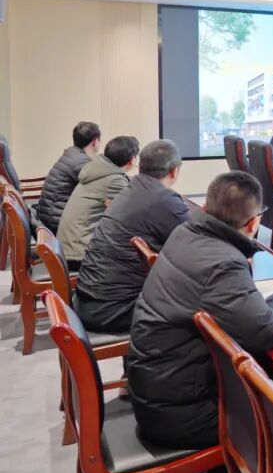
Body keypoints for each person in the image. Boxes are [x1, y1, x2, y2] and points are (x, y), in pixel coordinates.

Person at [127, 171, 273, 454]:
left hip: (154, 388)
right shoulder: (223, 263)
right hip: (180, 414)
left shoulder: (184, 233)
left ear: (205, 208)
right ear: (253, 223)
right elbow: (267, 331)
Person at [74, 140, 190, 333]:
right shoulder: (163, 200)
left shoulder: (130, 189)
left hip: (88, 301)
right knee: (198, 304)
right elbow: (197, 246)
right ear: (174, 171)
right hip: (114, 311)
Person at [57, 135, 140, 270]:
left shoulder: (98, 169)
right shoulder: (114, 180)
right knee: (135, 256)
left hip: (68, 247)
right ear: (132, 160)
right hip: (78, 255)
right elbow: (137, 210)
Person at [36, 121, 102, 233]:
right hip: (57, 221)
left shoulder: (72, 155)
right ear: (95, 142)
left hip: (48, 216)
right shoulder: (81, 162)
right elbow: (99, 190)